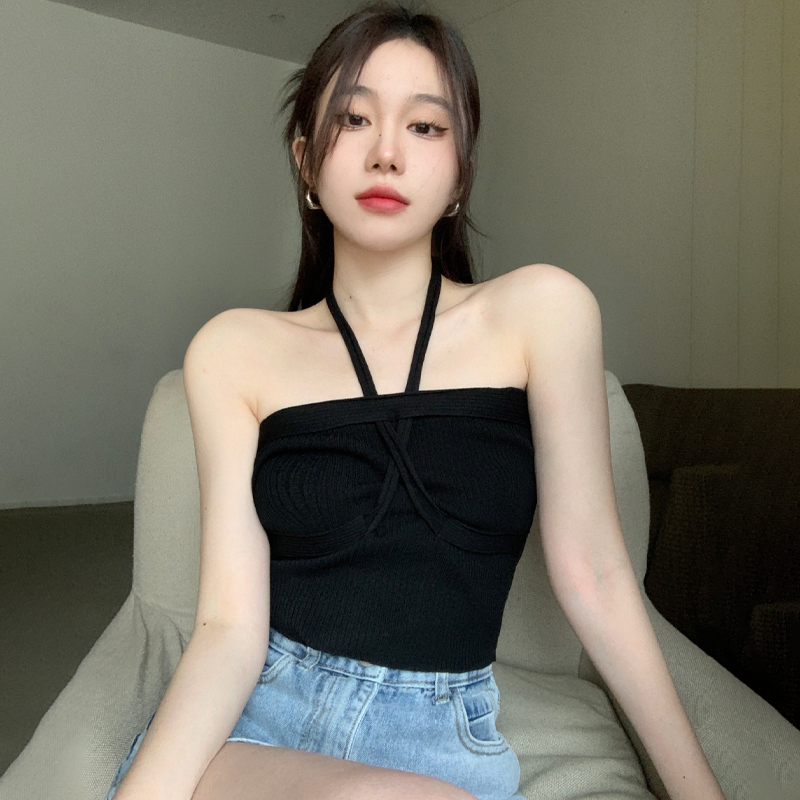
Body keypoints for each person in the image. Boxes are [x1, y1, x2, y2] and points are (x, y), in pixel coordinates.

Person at [105, 2, 726, 800]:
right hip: (256, 737)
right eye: (353, 119)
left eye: (426, 127)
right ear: (305, 161)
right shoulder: (232, 350)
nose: (387, 153)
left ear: (461, 174)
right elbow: (228, 629)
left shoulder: (543, 312)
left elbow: (597, 578)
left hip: (439, 751)